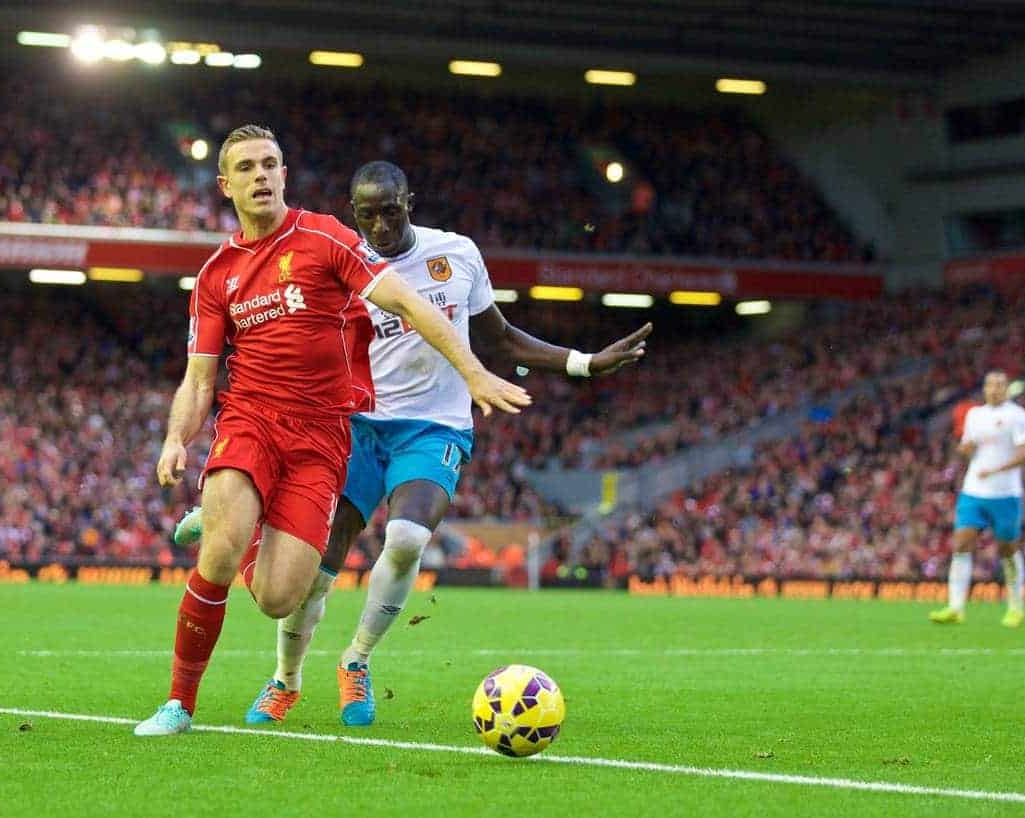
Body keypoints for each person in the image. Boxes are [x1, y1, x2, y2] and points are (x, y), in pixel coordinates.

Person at [174, 160, 652, 726]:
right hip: (356, 424)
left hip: (434, 426)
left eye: (391, 212)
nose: (380, 226)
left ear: (410, 203)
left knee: (404, 539)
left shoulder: (457, 254)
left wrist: (582, 362)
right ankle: (287, 678)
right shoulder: (340, 258)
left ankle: (356, 660)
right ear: (355, 215)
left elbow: (498, 338)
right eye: (368, 215)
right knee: (315, 570)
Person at [134, 129, 530, 737]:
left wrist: (474, 371)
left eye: (271, 164)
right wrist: (175, 439)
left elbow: (409, 303)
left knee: (278, 599)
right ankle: (178, 704)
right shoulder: (217, 275)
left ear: (285, 175)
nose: (261, 175)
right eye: (247, 167)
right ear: (227, 185)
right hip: (251, 422)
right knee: (216, 553)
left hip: (322, 438)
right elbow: (199, 379)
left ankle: (236, 529)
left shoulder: (325, 238)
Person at [930, 371, 1025, 628]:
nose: (994, 389)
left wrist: (997, 469)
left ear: (1007, 388)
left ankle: (1015, 608)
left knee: (1007, 550)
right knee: (961, 543)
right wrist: (964, 450)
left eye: (1000, 385)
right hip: (974, 490)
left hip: (1006, 494)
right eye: (990, 384)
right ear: (985, 388)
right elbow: (968, 448)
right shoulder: (974, 415)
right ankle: (955, 607)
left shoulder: (1017, 415)